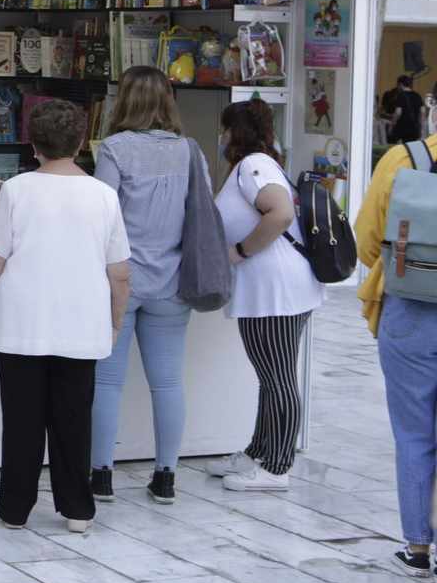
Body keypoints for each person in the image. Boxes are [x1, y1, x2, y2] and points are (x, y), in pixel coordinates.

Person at [0, 100, 130, 533]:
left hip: (22, 325)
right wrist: (114, 323)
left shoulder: (16, 190)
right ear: (81, 143)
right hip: (82, 326)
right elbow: (120, 273)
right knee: (74, 420)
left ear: (32, 144)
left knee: (22, 421)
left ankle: (15, 508)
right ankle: (77, 509)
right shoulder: (104, 195)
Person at [88, 67, 208, 507]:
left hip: (120, 282)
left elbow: (101, 215)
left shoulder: (115, 149)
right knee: (168, 383)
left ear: (124, 100)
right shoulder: (189, 150)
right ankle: (165, 478)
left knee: (107, 383)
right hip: (173, 283)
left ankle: (101, 477)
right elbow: (202, 210)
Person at [203, 100, 324, 492]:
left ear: (234, 132)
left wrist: (239, 251)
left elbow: (281, 213)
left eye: (223, 130)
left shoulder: (254, 166)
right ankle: (257, 452)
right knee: (271, 376)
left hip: (277, 289)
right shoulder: (258, 164)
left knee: (279, 378)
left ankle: (276, 467)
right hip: (271, 288)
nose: (220, 138)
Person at [355, 121, 437, 576]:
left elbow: (369, 241)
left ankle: (418, 549)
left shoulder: (403, 158)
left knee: (413, 433)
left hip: (412, 308)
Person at [388, 75, 426, 144]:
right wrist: (421, 127)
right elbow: (423, 111)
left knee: (391, 143)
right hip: (413, 127)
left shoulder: (401, 95)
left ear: (400, 84)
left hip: (401, 126)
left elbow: (398, 113)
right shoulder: (417, 95)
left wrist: (391, 125)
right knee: (410, 147)